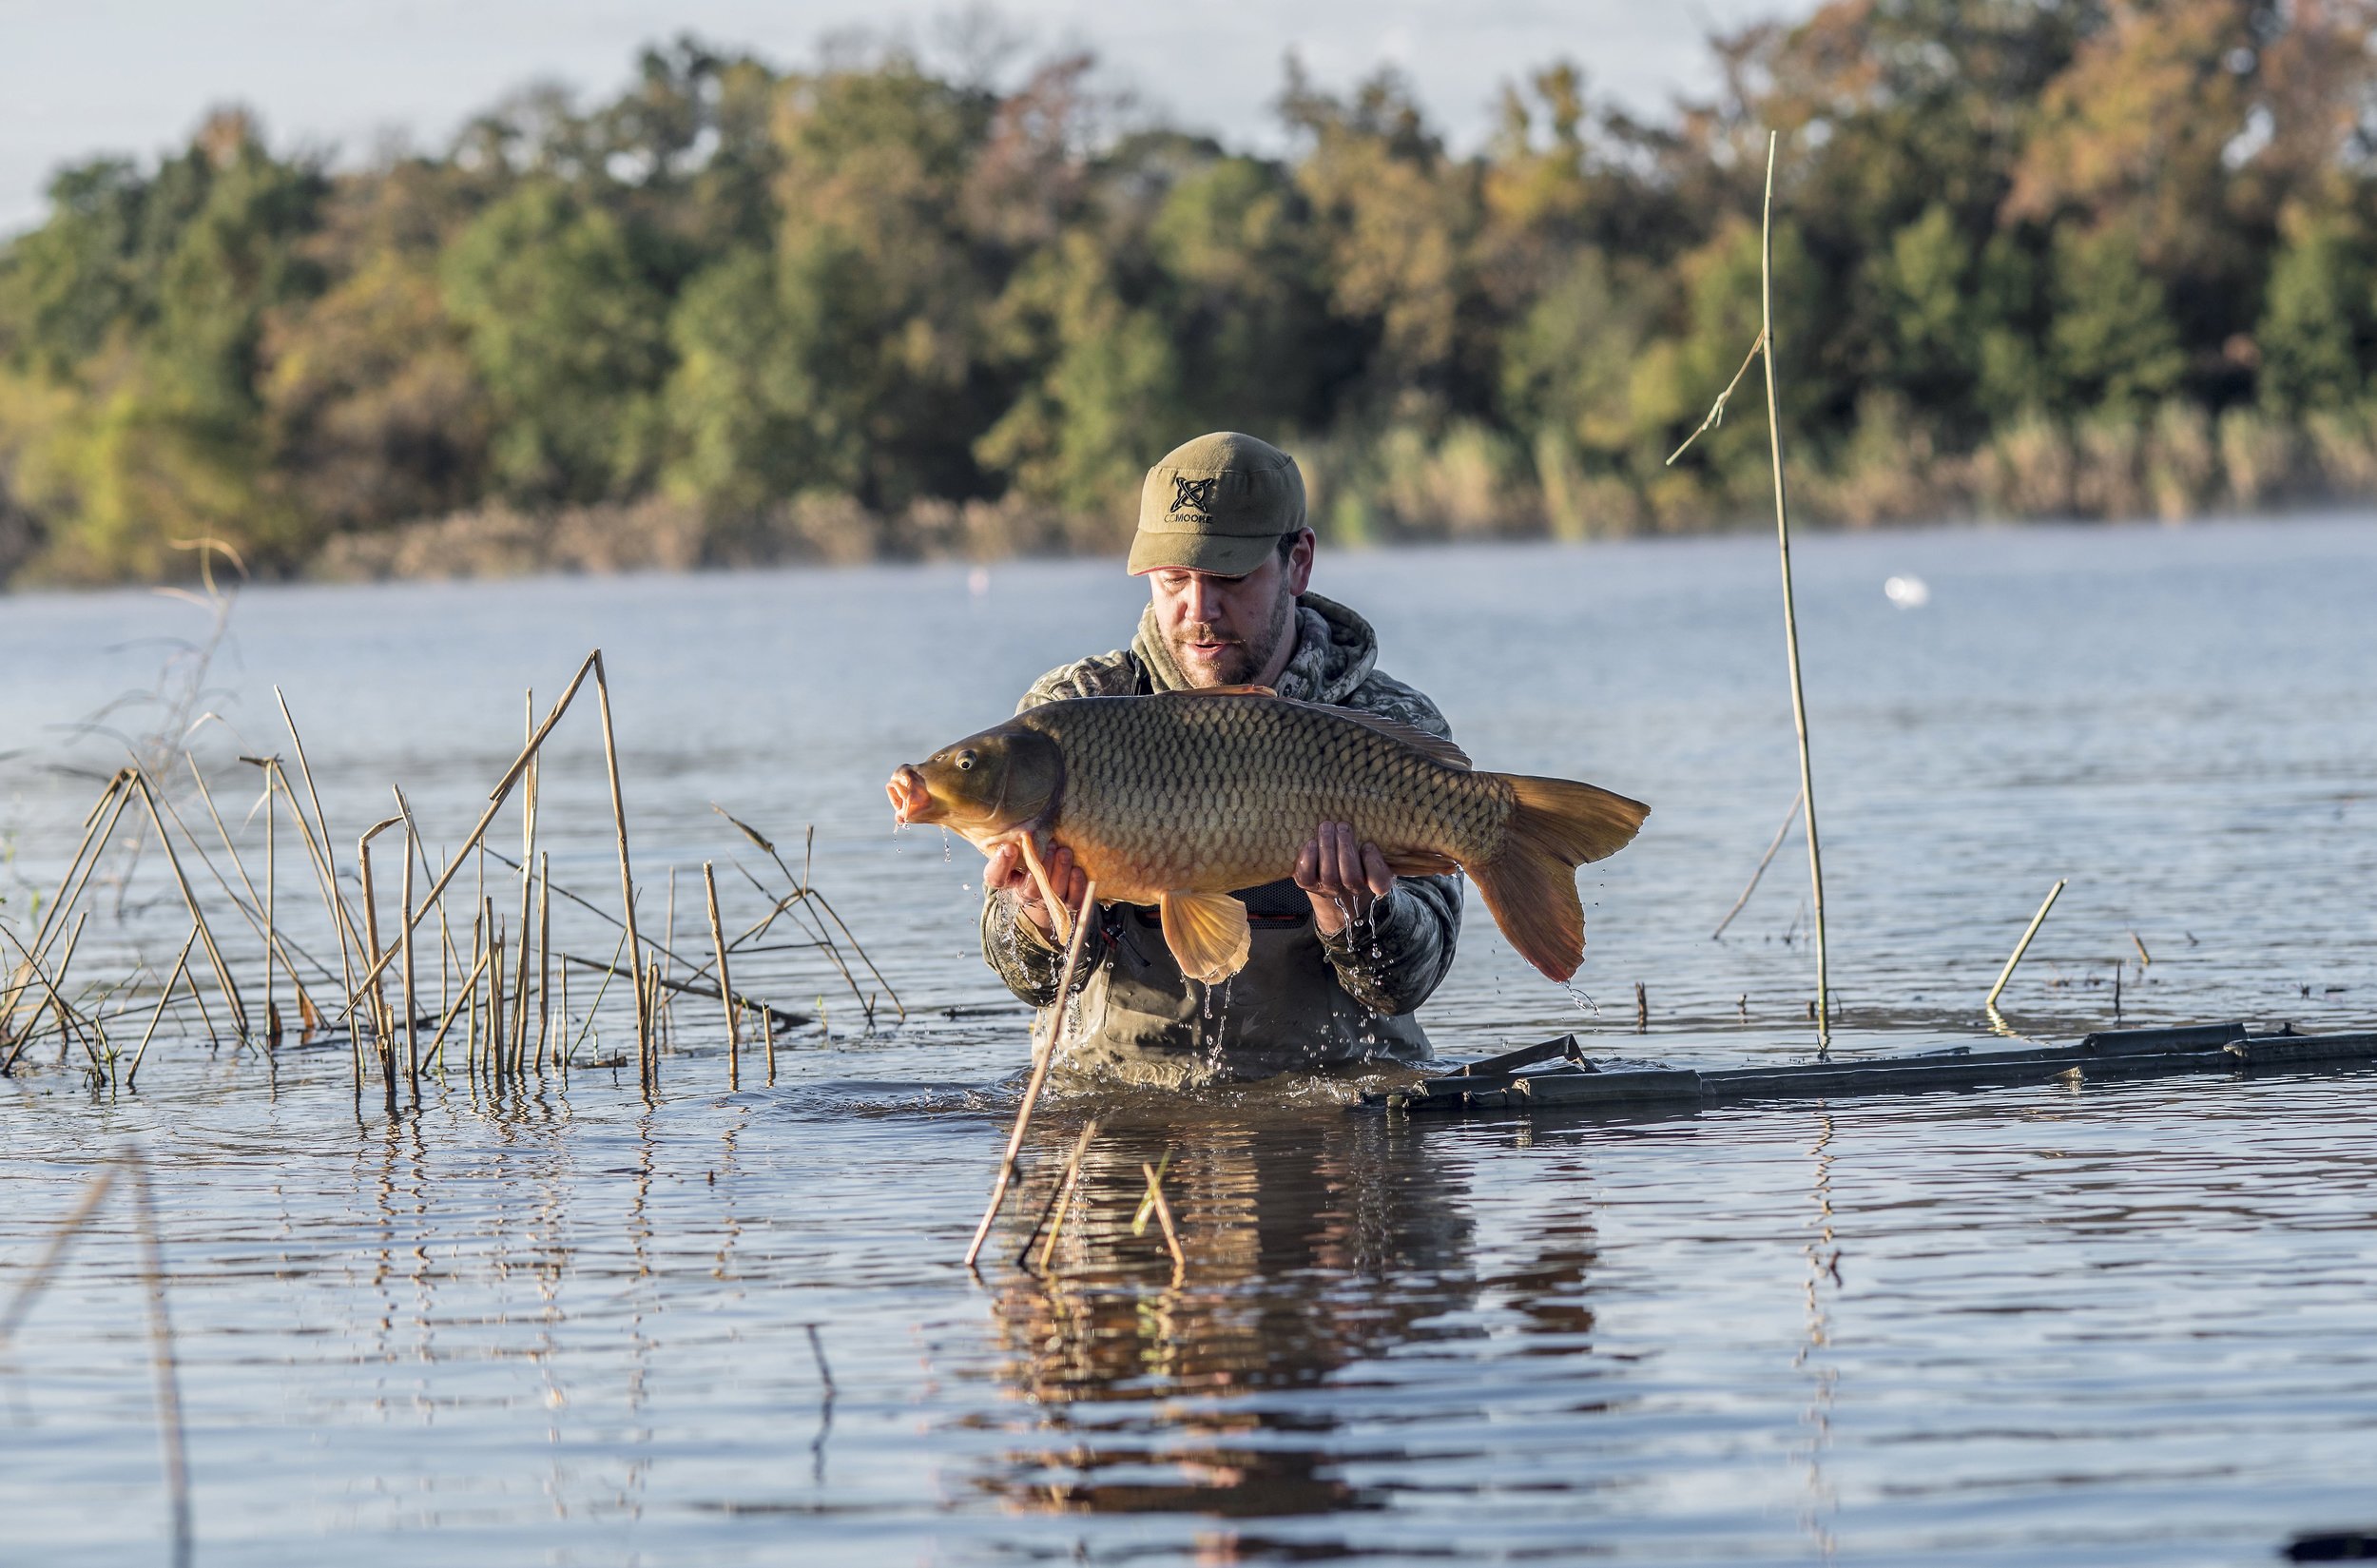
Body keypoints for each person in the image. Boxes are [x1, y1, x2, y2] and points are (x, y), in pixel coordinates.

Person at [979, 431, 1462, 1084]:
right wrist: (1043, 917)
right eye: (1173, 579)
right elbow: (1027, 981)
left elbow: (1412, 981)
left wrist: (1358, 917)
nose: (1198, 609)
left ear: (1299, 562)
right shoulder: (1074, 712)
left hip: (1339, 1101)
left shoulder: (1388, 727)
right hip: (1119, 1103)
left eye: (1229, 577)